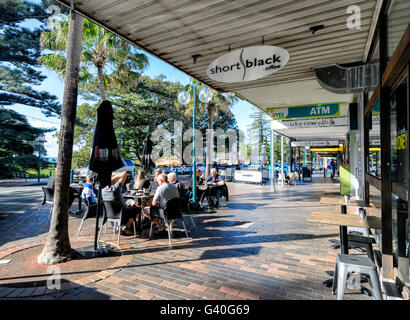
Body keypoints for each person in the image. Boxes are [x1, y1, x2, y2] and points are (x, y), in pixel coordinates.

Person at [101, 171, 141, 236]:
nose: (117, 180)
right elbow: (124, 173)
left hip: (109, 215)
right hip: (121, 214)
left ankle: (123, 227)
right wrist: (113, 179)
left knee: (130, 206)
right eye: (115, 179)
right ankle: (125, 227)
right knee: (137, 208)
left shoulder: (102, 190)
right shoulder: (115, 188)